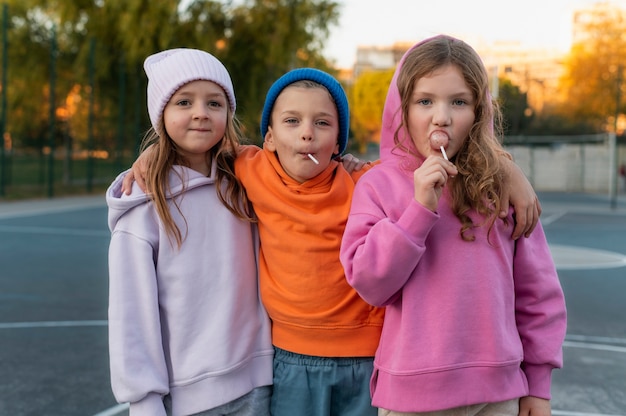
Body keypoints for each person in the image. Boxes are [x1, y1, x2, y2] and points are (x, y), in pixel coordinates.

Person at [121, 67, 541, 416]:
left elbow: (418, 163)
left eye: (322, 123)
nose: (307, 134)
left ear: (338, 142)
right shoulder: (251, 168)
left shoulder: (365, 180)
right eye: (291, 122)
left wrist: (507, 170)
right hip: (290, 359)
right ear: (268, 139)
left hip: (366, 357)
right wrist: (156, 152)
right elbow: (200, 139)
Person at [339, 35, 567, 416]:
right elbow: (370, 283)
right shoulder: (378, 185)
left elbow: (538, 293)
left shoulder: (503, 188)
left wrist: (538, 384)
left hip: (498, 394)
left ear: (479, 113)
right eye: (425, 101)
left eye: (458, 102)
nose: (441, 116)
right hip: (411, 396)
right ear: (402, 109)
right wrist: (419, 209)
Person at [106, 48, 273, 416]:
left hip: (260, 384)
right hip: (184, 401)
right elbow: (130, 315)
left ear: (228, 113)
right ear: (161, 114)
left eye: (214, 102)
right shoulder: (143, 206)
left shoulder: (248, 182)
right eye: (184, 101)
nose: (200, 112)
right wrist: (145, 401)